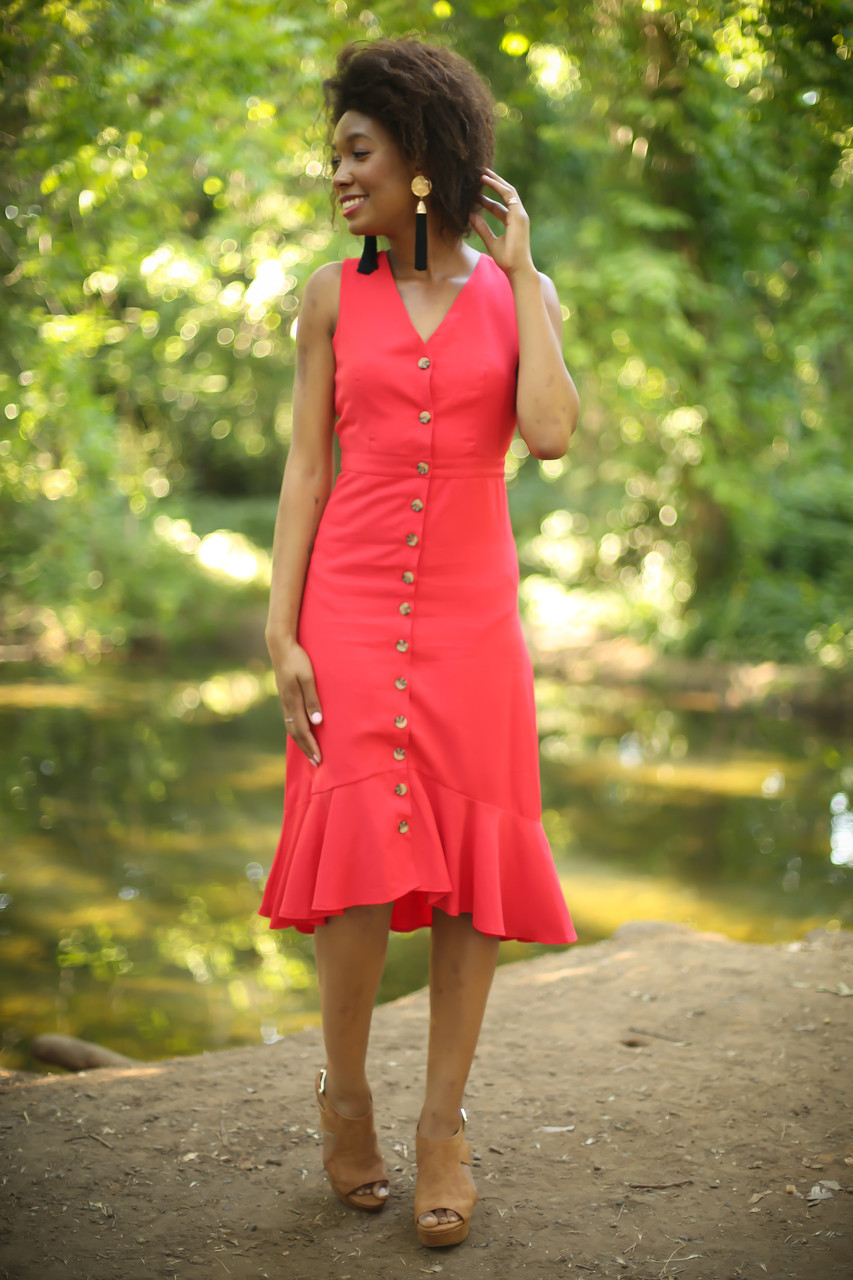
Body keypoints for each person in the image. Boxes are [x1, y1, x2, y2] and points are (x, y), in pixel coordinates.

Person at [260, 36, 579, 1248]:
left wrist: (528, 272)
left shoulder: (520, 293)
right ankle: (347, 1097)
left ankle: (443, 1129)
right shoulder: (330, 295)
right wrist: (278, 626)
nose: (339, 174)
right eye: (334, 154)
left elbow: (546, 435)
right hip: (343, 604)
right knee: (351, 865)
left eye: (358, 150)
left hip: (471, 618)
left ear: (422, 159)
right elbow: (306, 465)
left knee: (472, 885)